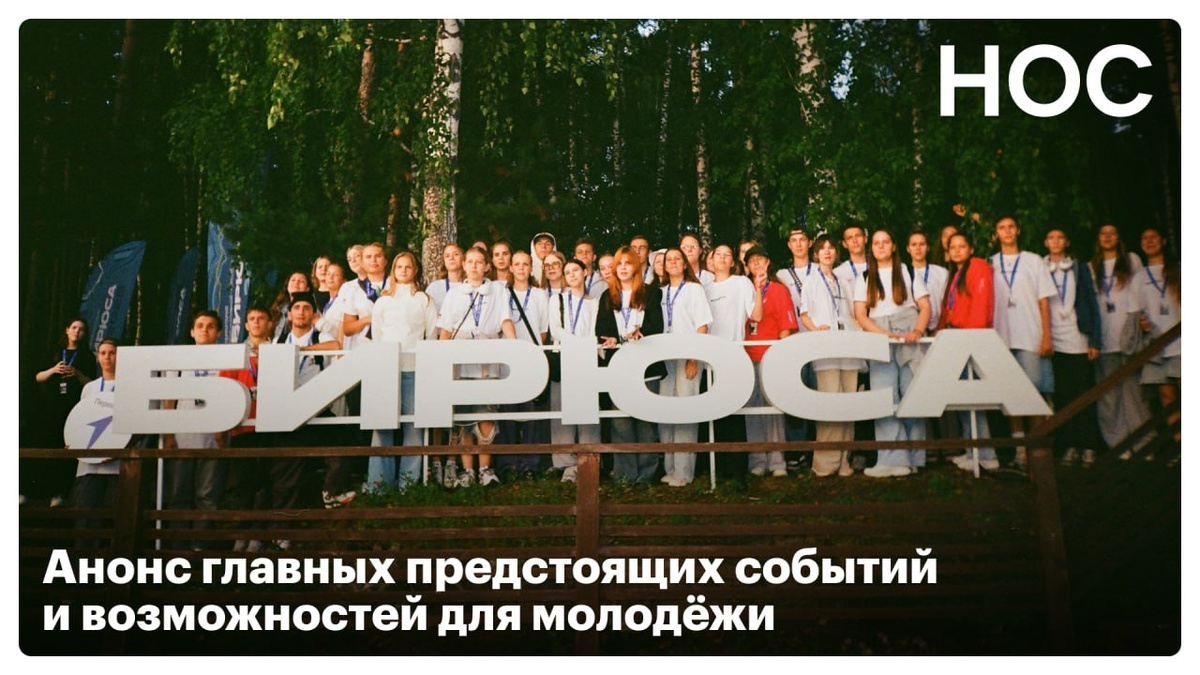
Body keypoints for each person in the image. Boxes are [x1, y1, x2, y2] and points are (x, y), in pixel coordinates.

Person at [262, 292, 341, 549]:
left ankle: (333, 505)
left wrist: (302, 351)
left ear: (313, 314)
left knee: (339, 453)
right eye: (297, 307)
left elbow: (335, 346)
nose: (301, 312)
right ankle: (281, 533)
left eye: (307, 308)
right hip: (289, 414)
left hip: (317, 410)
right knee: (285, 477)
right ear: (289, 313)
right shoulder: (279, 340)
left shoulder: (319, 337)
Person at [437, 246, 518, 488]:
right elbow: (446, 329)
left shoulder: (498, 291)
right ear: (464, 265)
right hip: (461, 360)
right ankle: (468, 470)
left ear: (486, 266)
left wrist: (515, 346)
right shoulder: (454, 294)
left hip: (487, 357)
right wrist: (442, 359)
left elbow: (505, 320)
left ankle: (485, 468)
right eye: (470, 261)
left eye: (478, 262)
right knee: (463, 417)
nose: (473, 266)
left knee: (486, 413)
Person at [854, 229, 931, 478]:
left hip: (908, 334)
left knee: (912, 394)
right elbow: (860, 314)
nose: (881, 246)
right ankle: (891, 459)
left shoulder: (908, 272)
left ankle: (915, 457)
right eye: (876, 243)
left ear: (894, 246)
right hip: (879, 336)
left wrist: (917, 330)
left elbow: (925, 306)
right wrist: (882, 334)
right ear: (871, 248)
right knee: (884, 397)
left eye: (885, 242)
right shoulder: (865, 277)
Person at [367, 252, 439, 492]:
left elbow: (431, 334)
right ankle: (379, 485)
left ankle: (408, 485)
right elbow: (378, 335)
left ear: (415, 270)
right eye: (399, 266)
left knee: (414, 426)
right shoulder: (383, 301)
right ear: (394, 270)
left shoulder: (424, 300)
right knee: (382, 426)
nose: (404, 270)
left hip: (414, 369)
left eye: (408, 266)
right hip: (386, 369)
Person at [596, 246, 666, 485]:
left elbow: (657, 326)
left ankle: (647, 475)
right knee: (620, 422)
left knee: (646, 421)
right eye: (619, 264)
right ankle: (625, 475)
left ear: (636, 266)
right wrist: (610, 338)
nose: (623, 268)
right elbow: (600, 329)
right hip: (619, 366)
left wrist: (642, 333)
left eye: (628, 263)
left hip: (646, 366)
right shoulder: (607, 296)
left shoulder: (651, 293)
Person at [990, 216, 1055, 469]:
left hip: (1030, 335)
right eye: (1001, 228)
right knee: (1011, 394)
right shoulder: (990, 263)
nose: (1007, 232)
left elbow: (1044, 301)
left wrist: (1047, 335)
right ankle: (1019, 449)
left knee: (1034, 392)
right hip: (1002, 337)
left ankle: (1037, 447)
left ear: (1017, 231)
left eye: (1010, 227)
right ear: (996, 233)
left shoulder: (1033, 260)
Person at [162, 310, 227, 550]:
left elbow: (230, 397)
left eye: (211, 326)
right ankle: (178, 547)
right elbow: (169, 399)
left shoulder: (225, 360)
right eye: (200, 325)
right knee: (178, 495)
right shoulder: (179, 359)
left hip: (213, 437)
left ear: (219, 333)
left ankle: (201, 546)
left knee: (207, 496)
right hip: (182, 436)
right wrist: (169, 435)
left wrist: (223, 430)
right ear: (191, 331)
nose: (205, 330)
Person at [799, 235, 862, 477]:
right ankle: (825, 462)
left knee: (849, 404)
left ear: (836, 252)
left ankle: (845, 459)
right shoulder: (811, 280)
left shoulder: (844, 280)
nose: (827, 252)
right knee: (830, 403)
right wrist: (816, 331)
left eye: (831, 248)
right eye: (822, 248)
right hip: (826, 348)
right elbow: (804, 314)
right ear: (816, 254)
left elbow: (852, 314)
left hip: (848, 345)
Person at [1087, 224, 1151, 459]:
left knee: (1135, 395)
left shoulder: (1131, 260)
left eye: (1112, 233)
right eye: (1103, 233)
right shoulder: (1091, 267)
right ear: (1098, 239)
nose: (1107, 237)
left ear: (1119, 237)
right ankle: (1118, 446)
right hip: (1104, 339)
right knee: (1109, 398)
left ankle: (1144, 445)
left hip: (1129, 336)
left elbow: (1144, 292)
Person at [937, 233, 1000, 472]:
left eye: (962, 246)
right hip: (955, 337)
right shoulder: (956, 274)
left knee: (973, 398)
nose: (957, 250)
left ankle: (986, 455)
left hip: (969, 338)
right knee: (963, 397)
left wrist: (972, 340)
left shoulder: (978, 267)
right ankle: (972, 451)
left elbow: (981, 306)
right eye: (952, 247)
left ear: (971, 249)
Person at [1043, 227, 1103, 468]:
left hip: (1078, 338)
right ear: (1045, 242)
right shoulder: (1040, 267)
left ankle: (1088, 445)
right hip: (1053, 340)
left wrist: (1095, 340)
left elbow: (1091, 302)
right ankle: (1068, 445)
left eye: (1060, 237)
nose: (1055, 241)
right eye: (1051, 238)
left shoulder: (1078, 268)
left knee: (1083, 393)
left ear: (1066, 242)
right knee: (1063, 395)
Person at [658, 247, 713, 487]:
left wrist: (694, 357)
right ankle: (669, 467)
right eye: (668, 260)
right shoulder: (659, 291)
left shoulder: (693, 289)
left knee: (685, 412)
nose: (672, 262)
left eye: (677, 259)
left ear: (684, 264)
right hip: (664, 357)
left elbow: (702, 326)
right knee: (665, 412)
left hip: (687, 356)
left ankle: (683, 471)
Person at [218, 306, 272, 552]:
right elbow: (224, 389)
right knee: (242, 484)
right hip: (241, 426)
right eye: (252, 319)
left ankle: (258, 536)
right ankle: (241, 535)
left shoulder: (279, 351)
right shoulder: (235, 355)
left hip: (270, 427)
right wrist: (222, 427)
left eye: (261, 318)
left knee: (264, 483)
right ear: (247, 325)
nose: (257, 322)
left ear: (269, 323)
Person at [703, 244, 758, 477]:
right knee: (716, 412)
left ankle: (737, 471)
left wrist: (758, 287)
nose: (723, 258)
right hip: (710, 358)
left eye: (728, 255)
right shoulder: (703, 288)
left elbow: (756, 315)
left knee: (735, 412)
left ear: (733, 261)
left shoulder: (741, 283)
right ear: (711, 260)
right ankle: (719, 469)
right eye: (718, 254)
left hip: (735, 355)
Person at [743, 245, 797, 477]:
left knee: (773, 409)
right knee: (752, 410)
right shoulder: (743, 288)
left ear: (768, 263)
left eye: (760, 259)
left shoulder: (778, 289)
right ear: (746, 266)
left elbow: (786, 326)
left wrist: (780, 356)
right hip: (747, 356)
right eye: (751, 260)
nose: (756, 263)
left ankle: (777, 461)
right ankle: (757, 460)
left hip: (770, 355)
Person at [30, 317, 96, 505]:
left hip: (73, 409)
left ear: (85, 334)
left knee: (66, 449)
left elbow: (92, 384)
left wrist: (77, 374)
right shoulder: (54, 352)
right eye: (74, 327)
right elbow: (38, 377)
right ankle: (35, 492)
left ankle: (60, 494)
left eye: (81, 329)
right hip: (50, 408)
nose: (77, 331)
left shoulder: (87, 356)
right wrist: (54, 370)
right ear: (67, 330)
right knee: (46, 446)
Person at [547, 258, 602, 483]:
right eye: (567, 271)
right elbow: (555, 329)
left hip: (586, 358)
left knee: (587, 410)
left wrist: (585, 348)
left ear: (585, 272)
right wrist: (576, 344)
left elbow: (594, 330)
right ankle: (565, 463)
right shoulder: (557, 299)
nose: (571, 275)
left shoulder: (594, 302)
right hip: (564, 356)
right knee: (561, 410)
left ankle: (589, 459)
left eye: (575, 270)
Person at [497, 249, 551, 477]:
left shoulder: (539, 294)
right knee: (507, 413)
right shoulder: (501, 292)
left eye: (525, 264)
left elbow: (543, 331)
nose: (521, 268)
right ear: (510, 267)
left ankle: (530, 463)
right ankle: (508, 463)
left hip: (532, 359)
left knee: (531, 413)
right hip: (507, 359)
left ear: (531, 268)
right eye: (517, 264)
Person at [1131, 226, 1181, 461]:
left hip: (1181, 343)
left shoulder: (1179, 269)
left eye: (1153, 237)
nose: (1149, 241)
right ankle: (1179, 447)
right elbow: (1136, 311)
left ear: (1163, 241)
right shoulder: (1139, 277)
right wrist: (1141, 323)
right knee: (1166, 398)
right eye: (1144, 238)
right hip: (1157, 345)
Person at [67, 338, 120, 548]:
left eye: (112, 353)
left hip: (116, 464)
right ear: (98, 357)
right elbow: (81, 419)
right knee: (85, 514)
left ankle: (113, 561)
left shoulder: (129, 387)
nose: (107, 357)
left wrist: (118, 450)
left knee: (115, 516)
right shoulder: (89, 388)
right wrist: (73, 440)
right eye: (103, 353)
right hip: (88, 463)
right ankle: (84, 561)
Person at [776, 227, 819, 451]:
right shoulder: (782, 275)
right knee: (796, 395)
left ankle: (819, 446)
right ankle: (798, 448)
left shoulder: (821, 270)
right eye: (794, 240)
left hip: (819, 340)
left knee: (820, 393)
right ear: (789, 245)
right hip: (794, 342)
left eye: (803, 239)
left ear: (810, 243)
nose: (799, 244)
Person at [908, 231, 949, 334]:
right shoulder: (903, 273)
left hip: (936, 329)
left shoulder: (941, 272)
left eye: (922, 244)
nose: (918, 248)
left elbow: (946, 304)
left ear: (928, 248)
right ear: (908, 249)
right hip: (910, 329)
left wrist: (941, 327)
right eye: (914, 244)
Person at [269, 271, 311, 340]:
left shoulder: (311, 309)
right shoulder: (278, 308)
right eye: (293, 280)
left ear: (307, 289)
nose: (296, 283)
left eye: (301, 281)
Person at [426, 242, 465, 312]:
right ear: (444, 262)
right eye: (447, 256)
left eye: (456, 254)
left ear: (463, 259)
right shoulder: (434, 288)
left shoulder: (470, 286)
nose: (451, 258)